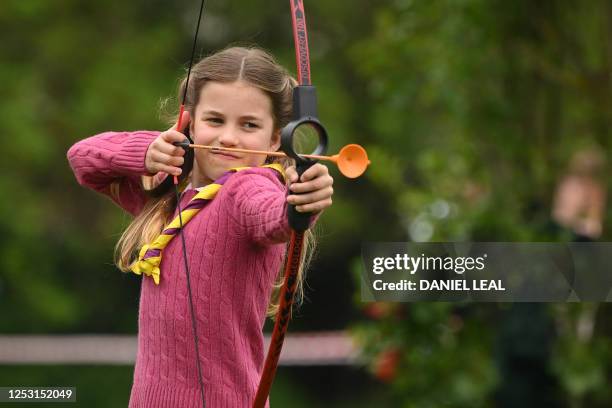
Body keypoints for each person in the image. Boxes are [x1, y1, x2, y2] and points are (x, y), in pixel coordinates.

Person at [67, 46, 334, 407]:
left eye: (249, 125)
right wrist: (149, 151)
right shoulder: (167, 196)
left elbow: (273, 216)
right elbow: (82, 159)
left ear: (276, 140)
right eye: (215, 120)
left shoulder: (246, 187)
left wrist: (302, 203)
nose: (228, 137)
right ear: (188, 123)